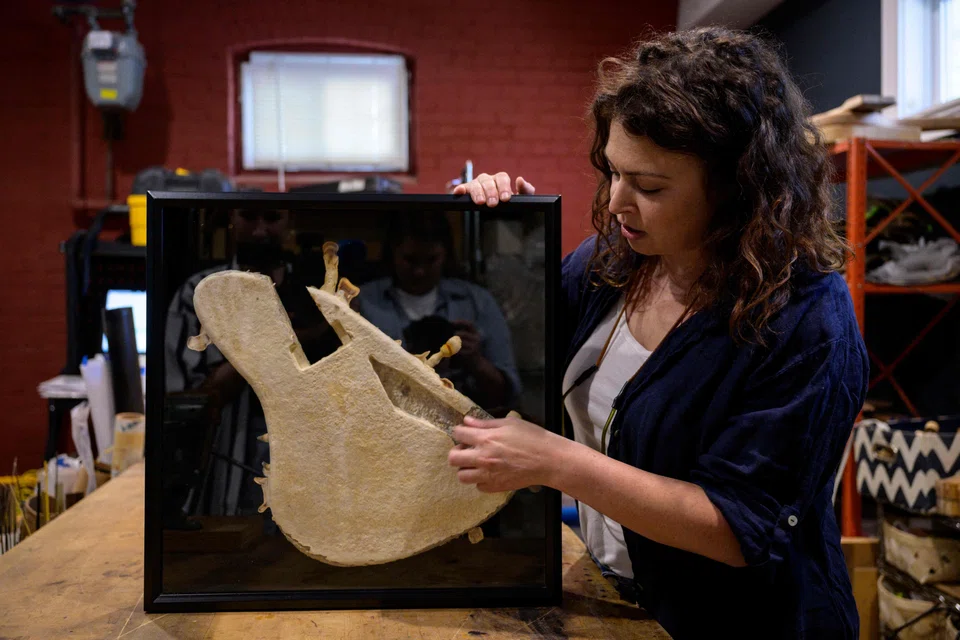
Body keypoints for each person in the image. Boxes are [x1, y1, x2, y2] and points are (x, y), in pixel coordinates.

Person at [448, 27, 868, 639]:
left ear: (736, 189)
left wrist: (558, 462)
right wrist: (501, 230)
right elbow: (520, 360)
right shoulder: (612, 264)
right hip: (619, 602)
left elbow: (739, 528)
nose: (617, 202)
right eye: (613, 172)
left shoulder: (806, 321)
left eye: (648, 187)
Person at [165, 208, 340, 516]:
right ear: (232, 219)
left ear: (290, 224)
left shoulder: (316, 294)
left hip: (310, 481)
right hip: (225, 477)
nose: (260, 230)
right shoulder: (199, 294)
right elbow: (192, 401)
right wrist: (288, 337)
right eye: (250, 217)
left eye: (272, 219)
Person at [356, 211, 522, 412]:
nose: (420, 271)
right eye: (410, 260)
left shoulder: (477, 302)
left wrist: (475, 361)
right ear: (393, 253)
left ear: (446, 256)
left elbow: (508, 396)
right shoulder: (361, 302)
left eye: (431, 260)